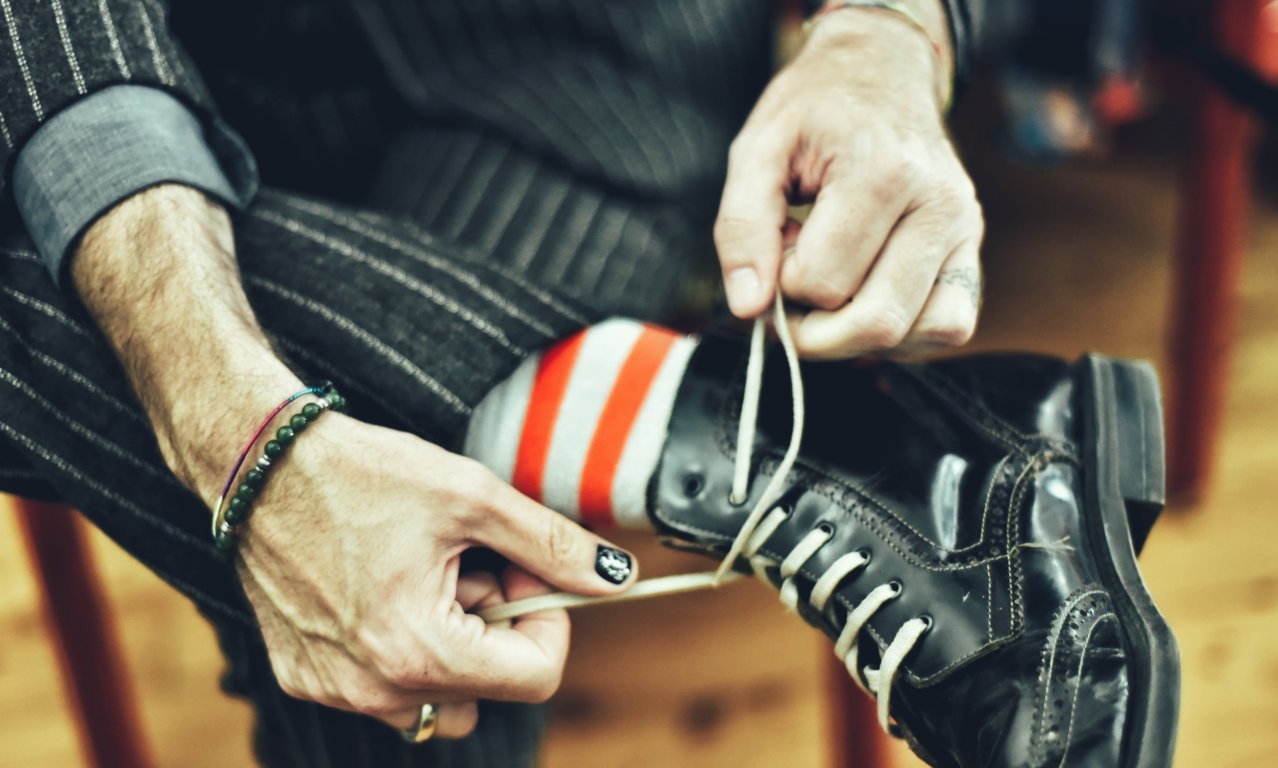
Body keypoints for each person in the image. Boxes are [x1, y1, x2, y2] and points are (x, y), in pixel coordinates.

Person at [0, 1, 1177, 766]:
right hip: (135, 50)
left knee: (420, 597)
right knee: (389, 584)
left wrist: (889, 29)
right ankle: (834, 454)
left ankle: (806, 447)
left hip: (594, 67)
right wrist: (239, 437)